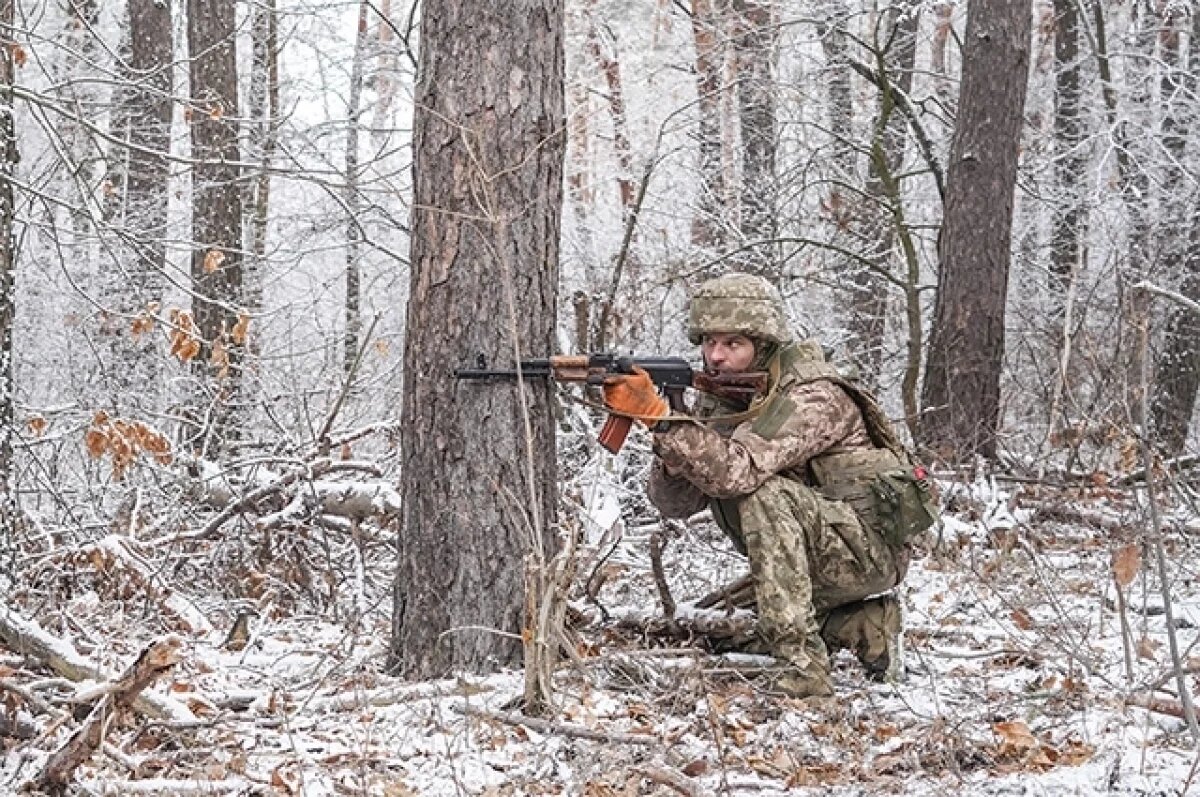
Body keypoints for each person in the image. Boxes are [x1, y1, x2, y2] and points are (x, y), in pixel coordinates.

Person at [602, 272, 937, 698]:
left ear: (764, 345)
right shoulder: (726, 398)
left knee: (762, 492)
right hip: (809, 558)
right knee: (710, 627)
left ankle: (804, 670)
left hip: (864, 554)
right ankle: (865, 626)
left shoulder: (813, 397)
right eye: (709, 342)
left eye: (733, 344)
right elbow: (676, 503)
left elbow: (737, 472)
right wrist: (671, 435)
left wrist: (663, 422)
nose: (716, 356)